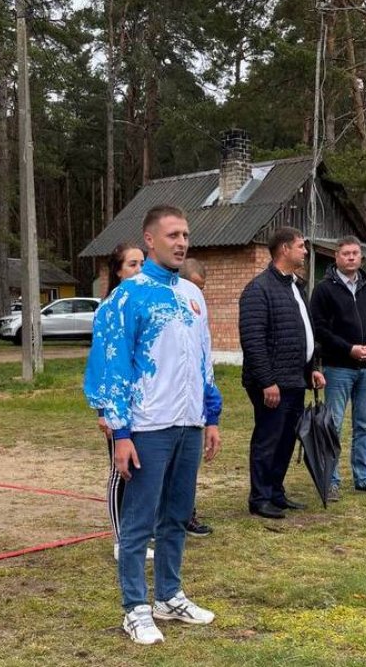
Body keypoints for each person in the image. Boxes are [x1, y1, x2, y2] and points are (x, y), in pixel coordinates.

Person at [83, 204, 222, 645]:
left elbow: (204, 359)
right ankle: (135, 608)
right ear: (150, 240)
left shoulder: (193, 295)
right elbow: (111, 367)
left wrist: (211, 415)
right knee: (138, 522)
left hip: (189, 423)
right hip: (147, 426)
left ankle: (168, 596)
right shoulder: (127, 297)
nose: (181, 243)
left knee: (177, 515)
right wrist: (121, 432)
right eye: (172, 235)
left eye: (185, 235)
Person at [239, 227, 326, 519]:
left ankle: (276, 491)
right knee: (269, 439)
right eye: (301, 246)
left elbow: (303, 333)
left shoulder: (295, 286)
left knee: (287, 439)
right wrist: (267, 381)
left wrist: (312, 369)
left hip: (295, 379)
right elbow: (253, 340)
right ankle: (260, 498)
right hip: (273, 383)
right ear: (284, 249)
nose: (305, 251)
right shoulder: (259, 289)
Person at [309, 236, 366, 499]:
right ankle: (331, 480)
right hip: (339, 367)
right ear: (336, 257)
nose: (351, 257)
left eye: (355, 253)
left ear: (361, 257)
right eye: (346, 253)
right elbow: (319, 328)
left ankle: (363, 478)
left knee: (365, 424)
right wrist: (348, 349)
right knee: (333, 425)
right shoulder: (324, 290)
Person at [87, 242, 152, 561]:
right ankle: (120, 540)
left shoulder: (147, 303)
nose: (139, 270)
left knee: (143, 469)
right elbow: (101, 363)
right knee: (121, 471)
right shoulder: (108, 309)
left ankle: (139, 533)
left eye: (142, 264)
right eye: (132, 265)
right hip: (118, 404)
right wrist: (103, 409)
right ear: (118, 271)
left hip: (147, 405)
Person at [178, 257, 213, 537]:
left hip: (194, 408)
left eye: (201, 288)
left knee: (187, 470)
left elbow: (205, 360)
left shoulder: (199, 309)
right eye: (194, 286)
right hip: (165, 411)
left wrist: (212, 413)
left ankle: (187, 514)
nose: (197, 293)